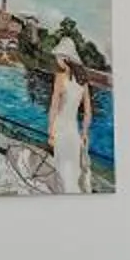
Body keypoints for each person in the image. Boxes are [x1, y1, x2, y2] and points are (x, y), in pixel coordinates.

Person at [45, 36, 94, 194]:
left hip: (60, 129)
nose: (57, 61)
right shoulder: (83, 81)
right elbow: (88, 111)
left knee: (61, 169)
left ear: (65, 58)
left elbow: (53, 108)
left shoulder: (60, 78)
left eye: (58, 57)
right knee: (73, 171)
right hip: (74, 132)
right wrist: (85, 133)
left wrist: (51, 131)